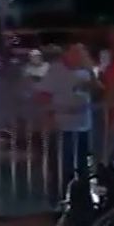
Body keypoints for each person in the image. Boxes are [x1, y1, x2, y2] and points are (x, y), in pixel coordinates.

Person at [38, 43, 103, 185]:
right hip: (64, 127)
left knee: (83, 164)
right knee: (64, 165)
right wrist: (50, 117)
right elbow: (43, 95)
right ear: (69, 54)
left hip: (84, 126)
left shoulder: (87, 71)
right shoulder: (56, 70)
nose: (81, 57)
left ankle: (81, 196)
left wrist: (91, 71)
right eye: (77, 53)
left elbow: (99, 91)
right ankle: (62, 193)